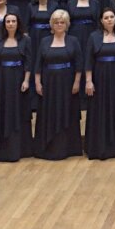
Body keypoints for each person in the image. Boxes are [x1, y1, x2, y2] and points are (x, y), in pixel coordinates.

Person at [36, 10, 85, 160]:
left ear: (66, 24)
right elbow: (38, 64)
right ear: (52, 24)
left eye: (62, 22)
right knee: (48, 113)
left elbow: (79, 64)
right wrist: (38, 83)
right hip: (49, 84)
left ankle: (67, 148)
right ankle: (48, 148)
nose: (59, 25)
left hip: (67, 83)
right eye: (56, 22)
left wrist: (77, 82)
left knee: (67, 112)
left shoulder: (73, 40)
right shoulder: (44, 41)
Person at [83, 9, 115, 160]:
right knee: (99, 111)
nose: (109, 20)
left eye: (112, 17)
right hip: (99, 78)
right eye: (106, 17)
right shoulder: (94, 36)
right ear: (101, 20)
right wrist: (89, 81)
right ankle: (99, 148)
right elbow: (88, 61)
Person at [0, 13, 34, 162]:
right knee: (1, 111)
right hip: (1, 80)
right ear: (4, 24)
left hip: (19, 80)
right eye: (8, 21)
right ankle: (0, 149)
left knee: (18, 111)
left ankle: (20, 149)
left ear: (18, 23)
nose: (11, 24)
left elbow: (28, 62)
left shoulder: (26, 40)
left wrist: (26, 81)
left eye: (13, 21)